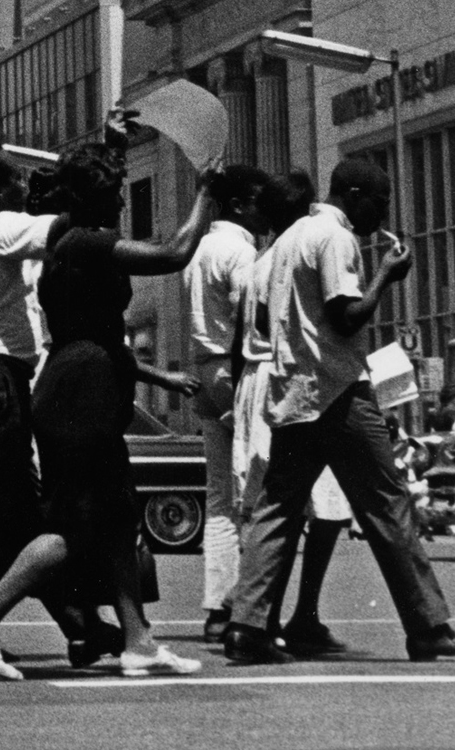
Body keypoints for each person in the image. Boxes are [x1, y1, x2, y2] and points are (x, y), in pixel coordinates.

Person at [0, 137, 213, 680]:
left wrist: (155, 374)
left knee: (114, 521)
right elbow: (174, 253)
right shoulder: (87, 243)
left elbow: (96, 337)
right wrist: (206, 192)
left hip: (79, 388)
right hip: (81, 398)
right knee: (75, 525)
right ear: (94, 199)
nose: (119, 202)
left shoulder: (67, 250)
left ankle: (138, 641)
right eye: (114, 192)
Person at [222, 158, 455, 664]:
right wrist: (384, 277)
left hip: (293, 393)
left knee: (277, 508)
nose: (381, 214)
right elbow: (346, 315)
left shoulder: (288, 240)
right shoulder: (335, 238)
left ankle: (246, 625)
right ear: (353, 194)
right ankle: (428, 625)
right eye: (378, 203)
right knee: (387, 503)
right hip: (338, 391)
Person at [183, 166, 277, 644]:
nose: (268, 211)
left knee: (219, 497)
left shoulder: (199, 248)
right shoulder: (241, 251)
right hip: (235, 370)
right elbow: (250, 321)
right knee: (253, 492)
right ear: (240, 204)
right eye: (261, 201)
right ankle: (246, 606)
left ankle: (216, 607)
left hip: (204, 368)